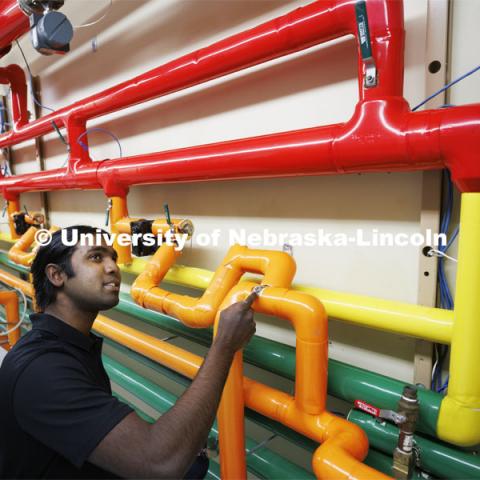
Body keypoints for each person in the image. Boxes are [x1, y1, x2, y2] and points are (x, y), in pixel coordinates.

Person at [0, 225, 257, 479]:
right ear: (57, 275)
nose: (113, 267)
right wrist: (224, 345)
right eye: (96, 257)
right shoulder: (43, 369)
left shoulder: (69, 345)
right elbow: (159, 463)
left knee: (192, 465)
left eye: (113, 256)